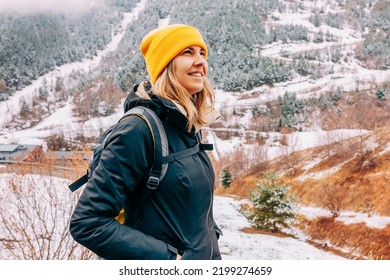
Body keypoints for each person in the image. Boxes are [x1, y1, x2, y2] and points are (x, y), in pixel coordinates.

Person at [70, 24, 222, 260]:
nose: (201, 61)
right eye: (187, 52)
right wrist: (169, 259)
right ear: (166, 65)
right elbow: (88, 223)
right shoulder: (138, 130)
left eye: (202, 53)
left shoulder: (186, 126)